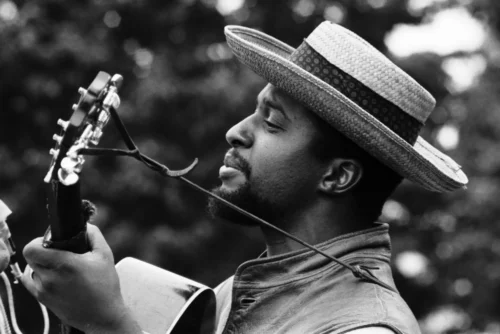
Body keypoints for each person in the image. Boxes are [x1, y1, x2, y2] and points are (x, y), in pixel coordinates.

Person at [20, 21, 468, 334]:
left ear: (337, 176)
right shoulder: (236, 292)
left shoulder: (365, 327)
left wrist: (108, 323)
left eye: (271, 122)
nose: (237, 131)